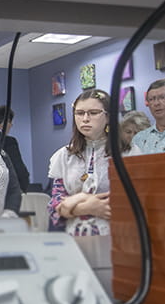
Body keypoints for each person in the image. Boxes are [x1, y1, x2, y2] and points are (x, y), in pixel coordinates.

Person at [47, 89, 117, 237]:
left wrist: (76, 200)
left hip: (116, 237)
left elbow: (130, 200)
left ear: (108, 116)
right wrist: (87, 207)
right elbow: (56, 205)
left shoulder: (127, 153)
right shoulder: (64, 156)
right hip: (74, 237)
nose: (85, 119)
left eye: (93, 112)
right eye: (79, 113)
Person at [0, 105, 31, 192]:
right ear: (6, 122)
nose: (11, 125)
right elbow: (19, 170)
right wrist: (23, 188)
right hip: (7, 192)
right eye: (11, 123)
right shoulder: (9, 142)